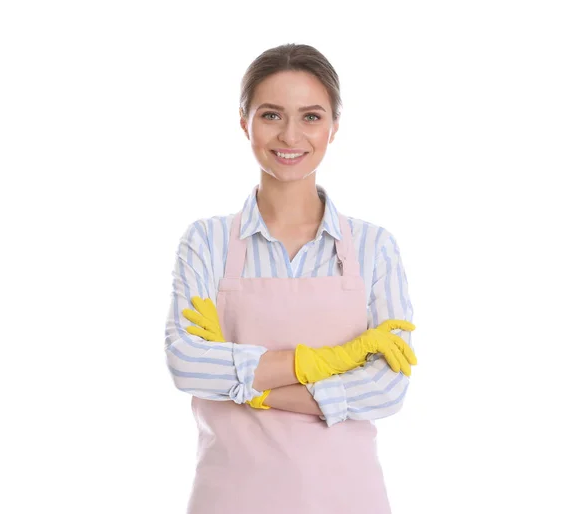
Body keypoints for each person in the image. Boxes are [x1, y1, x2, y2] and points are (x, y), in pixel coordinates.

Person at [164, 43, 418, 514]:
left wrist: (251, 388)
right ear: (245, 122)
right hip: (230, 500)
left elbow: (387, 388)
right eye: (272, 115)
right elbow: (187, 364)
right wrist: (330, 362)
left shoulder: (373, 248)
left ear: (334, 128)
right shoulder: (207, 241)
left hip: (348, 500)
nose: (290, 136)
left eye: (311, 117)